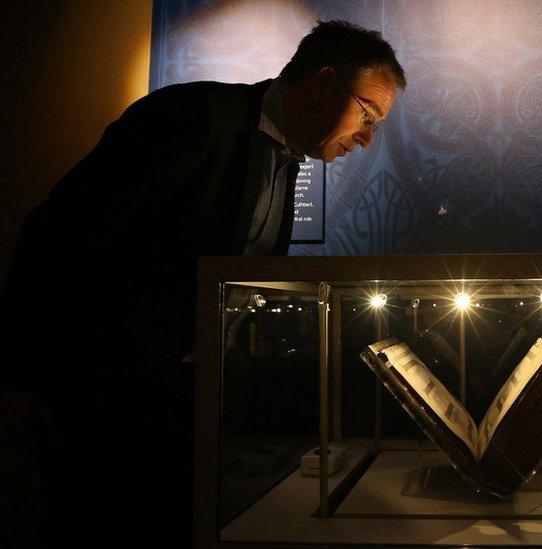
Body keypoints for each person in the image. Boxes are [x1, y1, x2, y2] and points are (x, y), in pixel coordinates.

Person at [0, 19, 405, 547]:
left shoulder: (286, 160)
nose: (368, 138)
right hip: (101, 390)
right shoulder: (192, 117)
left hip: (179, 400)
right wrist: (21, 380)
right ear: (322, 81)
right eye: (368, 114)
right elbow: (59, 232)